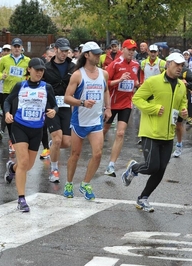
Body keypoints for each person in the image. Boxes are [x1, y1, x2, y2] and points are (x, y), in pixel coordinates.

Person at [121, 52, 188, 212]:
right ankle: (134, 168)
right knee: (152, 167)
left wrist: (183, 110)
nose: (179, 68)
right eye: (176, 64)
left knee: (161, 170)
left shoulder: (181, 85)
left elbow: (182, 101)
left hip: (168, 134)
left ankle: (143, 198)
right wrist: (154, 108)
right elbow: (137, 98)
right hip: (151, 131)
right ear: (168, 64)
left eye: (181, 65)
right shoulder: (153, 82)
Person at [3, 58, 58, 211]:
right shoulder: (21, 85)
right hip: (19, 127)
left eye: (42, 70)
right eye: (37, 69)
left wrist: (54, 111)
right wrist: (7, 113)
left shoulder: (47, 88)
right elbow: (8, 100)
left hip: (37, 130)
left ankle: (11, 168)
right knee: (24, 161)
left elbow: (54, 105)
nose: (40, 72)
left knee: (27, 165)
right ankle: (21, 199)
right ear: (29, 70)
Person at [63, 41, 112, 200]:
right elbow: (67, 98)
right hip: (79, 121)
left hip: (96, 121)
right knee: (75, 155)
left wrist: (108, 108)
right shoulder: (78, 75)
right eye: (95, 53)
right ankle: (69, 183)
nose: (98, 56)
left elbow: (106, 91)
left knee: (97, 154)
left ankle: (85, 184)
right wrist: (82, 103)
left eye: (99, 53)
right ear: (86, 55)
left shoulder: (103, 73)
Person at [103, 39, 139, 177]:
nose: (131, 52)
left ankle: (111, 165)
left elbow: (136, 81)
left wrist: (137, 84)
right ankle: (97, 152)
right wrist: (120, 80)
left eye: (133, 50)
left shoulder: (136, 65)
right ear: (122, 49)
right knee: (104, 130)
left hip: (126, 104)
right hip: (112, 104)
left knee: (120, 133)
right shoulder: (115, 64)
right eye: (129, 49)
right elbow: (105, 83)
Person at [43, 37, 76, 183]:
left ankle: (53, 146)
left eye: (66, 51)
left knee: (67, 142)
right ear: (55, 49)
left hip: (67, 106)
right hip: (51, 107)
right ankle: (54, 169)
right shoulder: (46, 68)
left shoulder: (72, 67)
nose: (64, 54)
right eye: (62, 51)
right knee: (57, 138)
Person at [0, 38, 31, 153]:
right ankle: (11, 139)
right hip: (8, 91)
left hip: (21, 93)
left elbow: (30, 74)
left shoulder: (27, 60)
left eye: (18, 46)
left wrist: (28, 81)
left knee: (18, 116)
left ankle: (18, 139)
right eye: (14, 46)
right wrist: (1, 76)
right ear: (11, 48)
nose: (16, 48)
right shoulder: (4, 59)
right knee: (9, 116)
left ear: (21, 48)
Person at [171, 49, 192, 158]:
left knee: (178, 125)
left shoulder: (186, 71)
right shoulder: (166, 69)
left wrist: (186, 83)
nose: (178, 66)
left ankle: (178, 144)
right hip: (168, 101)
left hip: (181, 102)